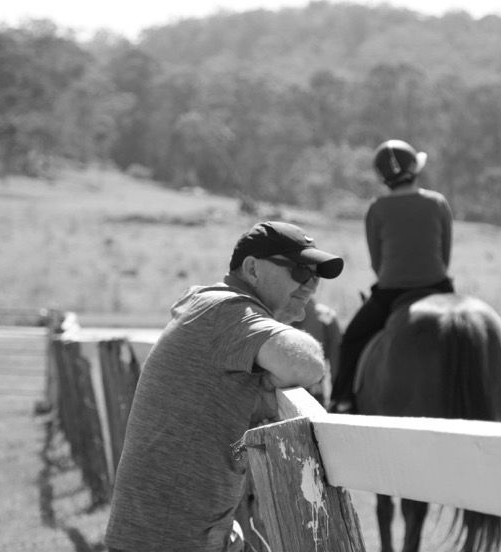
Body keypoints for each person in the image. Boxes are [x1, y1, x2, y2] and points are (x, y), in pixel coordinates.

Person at [104, 220, 344, 552]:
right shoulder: (229, 311)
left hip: (181, 535)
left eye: (316, 278)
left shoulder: (212, 308)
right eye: (301, 272)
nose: (310, 286)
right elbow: (307, 364)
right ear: (253, 269)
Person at [330, 139, 454, 413]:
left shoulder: (376, 209)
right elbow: (445, 257)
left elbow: (377, 263)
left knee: (351, 339)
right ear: (415, 170)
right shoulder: (438, 203)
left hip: (391, 294)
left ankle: (342, 399)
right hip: (438, 287)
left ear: (384, 178)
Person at [291, 297, 342, 407]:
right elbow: (336, 361)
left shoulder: (278, 314)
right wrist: (337, 396)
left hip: (285, 389)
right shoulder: (327, 315)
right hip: (315, 388)